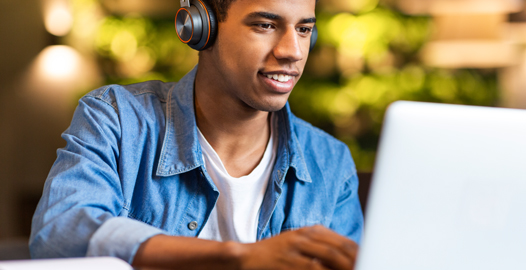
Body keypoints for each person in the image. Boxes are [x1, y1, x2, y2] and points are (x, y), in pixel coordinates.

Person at [30, 0, 364, 269]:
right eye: (265, 25)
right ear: (200, 27)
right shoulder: (117, 118)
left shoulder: (330, 162)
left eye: (304, 29)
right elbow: (59, 233)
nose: (292, 51)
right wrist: (238, 257)